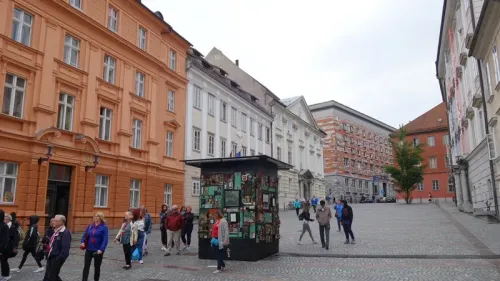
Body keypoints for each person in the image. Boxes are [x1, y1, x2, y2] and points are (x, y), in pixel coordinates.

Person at [81, 212, 108, 281]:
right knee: (86, 266)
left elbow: (105, 240)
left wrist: (101, 249)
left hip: (98, 251)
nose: (95, 217)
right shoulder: (90, 226)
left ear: (100, 218)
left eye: (97, 216)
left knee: (97, 267)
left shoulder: (104, 227)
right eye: (94, 216)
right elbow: (84, 235)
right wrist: (82, 242)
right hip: (89, 249)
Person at [43, 214, 71, 281]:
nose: (53, 222)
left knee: (51, 277)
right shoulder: (55, 231)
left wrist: (58, 260)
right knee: (48, 277)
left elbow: (65, 250)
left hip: (56, 259)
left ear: (61, 222)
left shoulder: (65, 233)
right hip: (51, 257)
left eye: (55, 220)